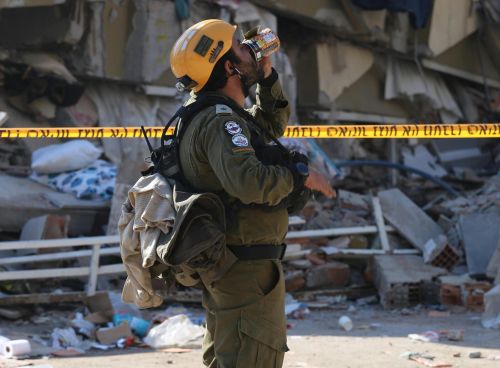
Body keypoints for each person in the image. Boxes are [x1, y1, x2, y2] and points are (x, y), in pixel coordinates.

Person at [169, 19, 335, 368]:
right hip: (243, 267)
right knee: (253, 358)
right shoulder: (220, 121)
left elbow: (269, 129)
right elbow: (249, 180)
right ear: (229, 67)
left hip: (235, 263)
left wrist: (268, 78)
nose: (252, 47)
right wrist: (300, 176)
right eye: (242, 47)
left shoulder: (218, 112)